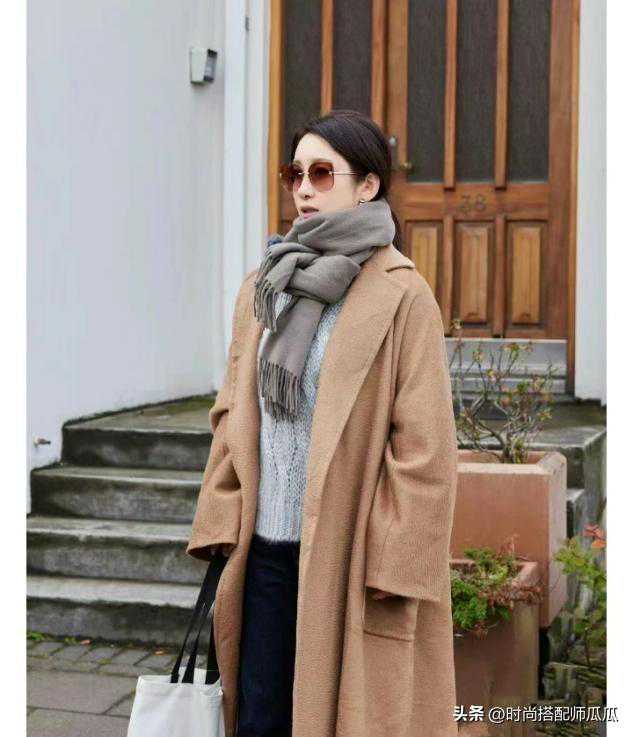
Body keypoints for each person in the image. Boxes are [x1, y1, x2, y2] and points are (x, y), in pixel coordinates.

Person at [187, 109, 459, 737]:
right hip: (262, 552)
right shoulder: (266, 285)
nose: (303, 188)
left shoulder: (401, 294)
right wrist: (222, 513)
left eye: (321, 173)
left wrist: (392, 563)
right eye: (295, 173)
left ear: (368, 186)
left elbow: (424, 446)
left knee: (340, 719)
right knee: (258, 718)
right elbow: (233, 411)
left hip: (347, 559)